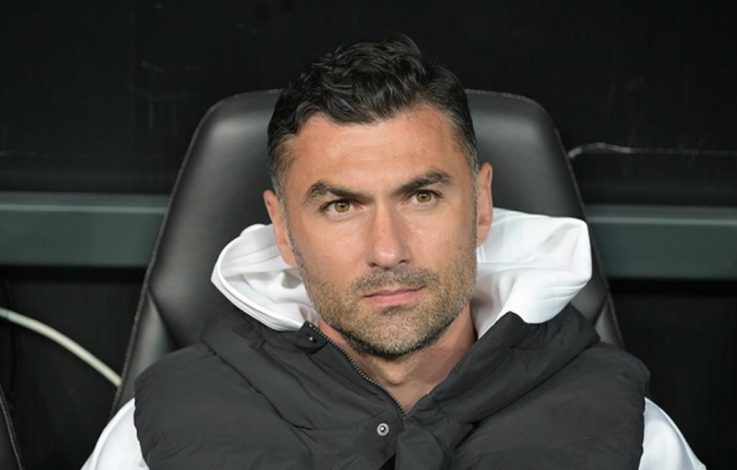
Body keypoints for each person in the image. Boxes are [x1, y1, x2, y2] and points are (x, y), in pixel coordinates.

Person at [84, 36, 704, 469]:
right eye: (341, 206)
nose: (387, 250)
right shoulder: (156, 436)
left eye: (422, 196)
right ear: (283, 230)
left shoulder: (627, 434)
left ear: (481, 206)